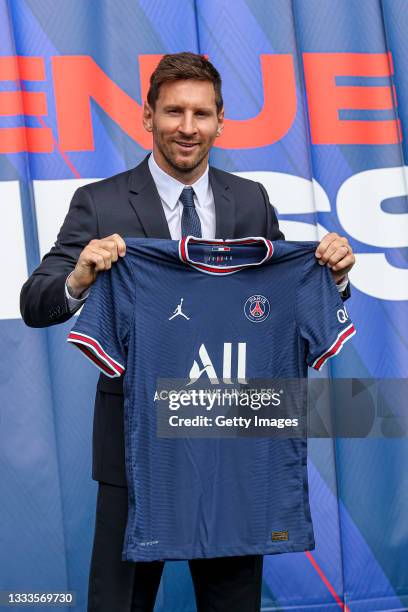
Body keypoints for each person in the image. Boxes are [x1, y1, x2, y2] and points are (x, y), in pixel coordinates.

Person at [20, 52, 355, 612]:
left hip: (231, 443)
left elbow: (277, 298)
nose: (187, 127)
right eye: (173, 111)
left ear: (221, 120)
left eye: (201, 113)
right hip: (134, 446)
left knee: (231, 602)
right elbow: (36, 303)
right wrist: (79, 278)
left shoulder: (250, 200)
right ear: (146, 116)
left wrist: (336, 279)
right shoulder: (99, 203)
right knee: (119, 604)